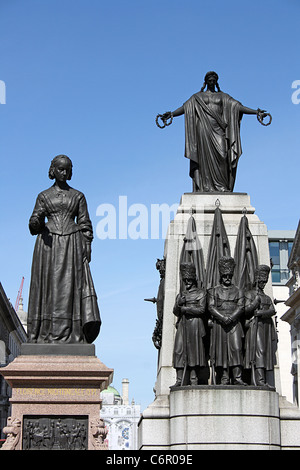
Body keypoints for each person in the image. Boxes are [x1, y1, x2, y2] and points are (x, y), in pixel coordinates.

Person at [27, 154, 101, 344]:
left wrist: (87, 247)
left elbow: (85, 224)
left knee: (71, 289)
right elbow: (34, 223)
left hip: (72, 246)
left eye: (67, 169)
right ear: (53, 170)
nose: (64, 172)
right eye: (61, 169)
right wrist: (36, 221)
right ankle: (43, 332)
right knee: (48, 288)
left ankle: (74, 332)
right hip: (48, 245)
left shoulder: (78, 196)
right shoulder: (43, 196)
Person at [160, 71, 269, 192]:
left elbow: (237, 107)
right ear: (206, 82)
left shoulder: (223, 97)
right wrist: (171, 115)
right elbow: (185, 108)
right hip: (203, 129)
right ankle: (205, 187)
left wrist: (256, 112)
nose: (212, 82)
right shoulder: (197, 97)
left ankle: (222, 186)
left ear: (216, 82)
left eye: (214, 80)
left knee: (223, 154)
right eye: (210, 80)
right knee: (203, 159)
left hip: (219, 129)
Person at [208, 256, 246, 385]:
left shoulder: (238, 291)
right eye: (225, 276)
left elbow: (241, 306)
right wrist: (223, 317)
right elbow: (211, 307)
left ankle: (237, 377)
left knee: (236, 349)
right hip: (220, 323)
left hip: (234, 323)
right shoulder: (215, 290)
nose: (227, 279)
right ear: (221, 276)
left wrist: (231, 317)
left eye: (229, 276)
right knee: (221, 350)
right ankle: (224, 377)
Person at [172, 262, 207, 386]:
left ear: (193, 279)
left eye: (189, 279)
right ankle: (179, 380)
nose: (187, 282)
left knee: (193, 352)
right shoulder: (181, 295)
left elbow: (202, 310)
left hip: (195, 325)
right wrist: (179, 304)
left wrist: (186, 309)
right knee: (179, 350)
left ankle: (193, 379)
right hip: (182, 325)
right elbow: (175, 311)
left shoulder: (201, 293)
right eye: (185, 280)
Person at [244, 265, 277, 387]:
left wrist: (261, 312)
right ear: (257, 280)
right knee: (259, 351)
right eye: (261, 281)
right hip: (255, 326)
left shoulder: (267, 297)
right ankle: (259, 380)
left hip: (266, 327)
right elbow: (245, 310)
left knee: (265, 352)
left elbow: (272, 310)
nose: (263, 284)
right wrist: (254, 303)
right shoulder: (249, 294)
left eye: (265, 282)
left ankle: (261, 379)